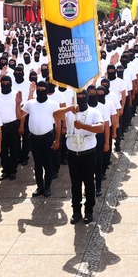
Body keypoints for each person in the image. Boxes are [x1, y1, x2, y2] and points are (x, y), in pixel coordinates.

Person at [53, 89, 104, 224]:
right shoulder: (70, 112)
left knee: (88, 183)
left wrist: (83, 126)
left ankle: (89, 211)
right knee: (75, 184)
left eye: (83, 96)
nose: (81, 98)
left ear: (87, 98)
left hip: (88, 154)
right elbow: (55, 115)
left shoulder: (94, 111)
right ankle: (76, 211)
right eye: (78, 97)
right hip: (73, 155)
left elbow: (100, 128)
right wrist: (69, 108)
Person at [20, 81, 59, 197]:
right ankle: (39, 187)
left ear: (47, 91)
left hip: (48, 137)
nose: (40, 91)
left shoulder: (53, 104)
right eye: (39, 89)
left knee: (47, 164)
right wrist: (18, 103)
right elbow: (20, 115)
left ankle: (47, 187)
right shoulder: (30, 103)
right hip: (34, 138)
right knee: (37, 164)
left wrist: (57, 140)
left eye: (43, 89)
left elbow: (58, 124)